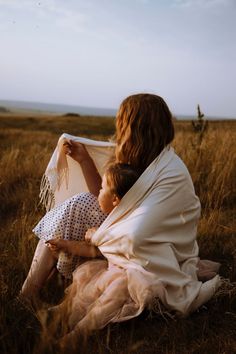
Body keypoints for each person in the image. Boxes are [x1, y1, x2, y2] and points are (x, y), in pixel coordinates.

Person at [21, 94, 220, 339]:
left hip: (157, 252)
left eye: (123, 122)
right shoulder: (133, 160)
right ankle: (30, 291)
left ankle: (71, 321)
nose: (120, 128)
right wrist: (84, 160)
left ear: (137, 127)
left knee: (115, 275)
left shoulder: (171, 172)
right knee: (79, 204)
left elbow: (137, 236)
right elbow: (107, 202)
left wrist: (97, 236)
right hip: (125, 236)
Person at [45, 162, 140, 262]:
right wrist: (64, 244)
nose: (99, 191)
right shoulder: (122, 218)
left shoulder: (116, 227)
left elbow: (94, 251)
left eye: (102, 188)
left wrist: (67, 245)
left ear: (114, 200)